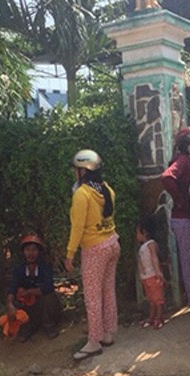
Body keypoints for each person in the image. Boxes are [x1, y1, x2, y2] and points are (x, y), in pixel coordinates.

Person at [66, 150, 120, 361]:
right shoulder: (107, 189)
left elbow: (78, 226)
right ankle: (107, 333)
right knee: (107, 291)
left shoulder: (82, 194)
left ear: (82, 171)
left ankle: (94, 341)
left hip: (95, 248)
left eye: (76, 169)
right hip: (112, 243)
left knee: (92, 296)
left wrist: (70, 253)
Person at [161, 127, 190, 313]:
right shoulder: (183, 160)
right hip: (184, 219)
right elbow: (167, 177)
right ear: (186, 143)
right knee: (189, 262)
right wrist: (180, 199)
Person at [5, 235, 62, 342]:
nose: (31, 253)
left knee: (49, 297)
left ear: (39, 252)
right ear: (23, 252)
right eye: (27, 250)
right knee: (16, 301)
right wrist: (10, 305)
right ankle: (27, 328)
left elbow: (49, 287)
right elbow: (12, 288)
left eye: (34, 250)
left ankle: (49, 325)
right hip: (29, 306)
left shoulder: (45, 268)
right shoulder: (19, 269)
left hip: (43, 306)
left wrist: (30, 292)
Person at [136, 216, 165, 330]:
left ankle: (159, 317)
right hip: (146, 277)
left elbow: (154, 257)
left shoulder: (151, 244)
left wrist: (158, 271)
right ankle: (151, 317)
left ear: (145, 232)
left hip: (153, 276)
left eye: (138, 232)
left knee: (158, 298)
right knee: (151, 299)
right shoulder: (142, 247)